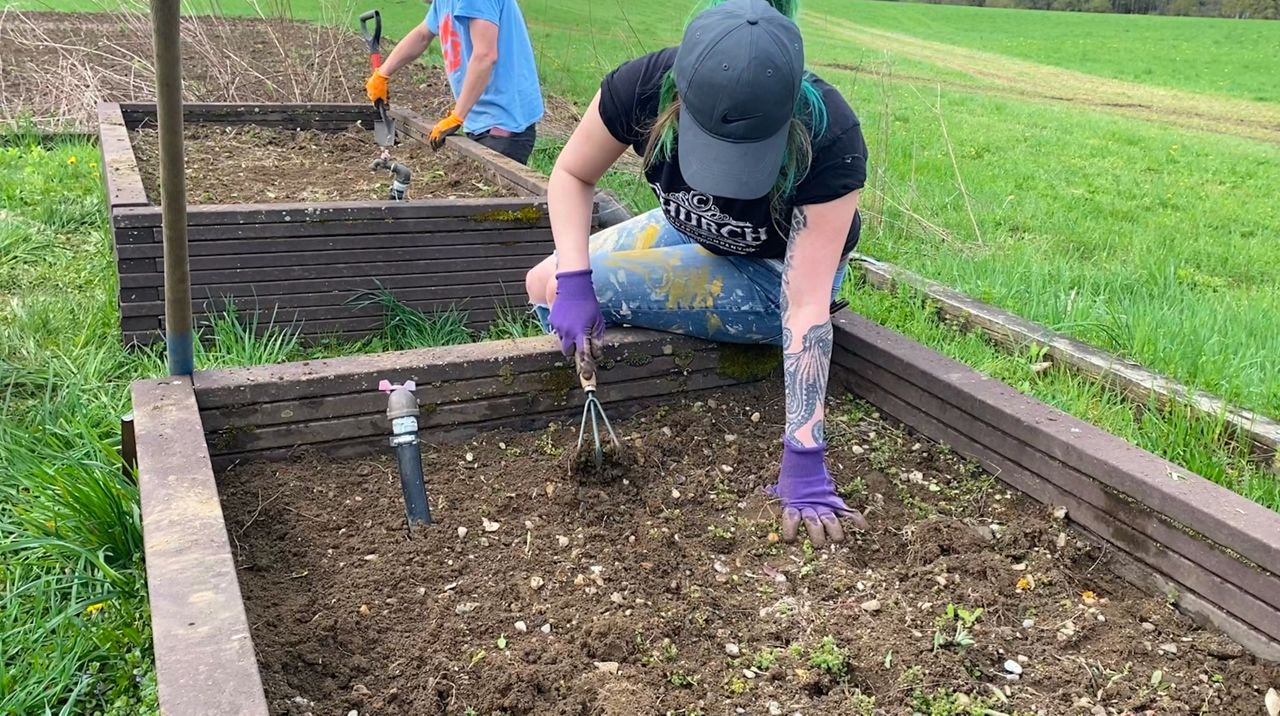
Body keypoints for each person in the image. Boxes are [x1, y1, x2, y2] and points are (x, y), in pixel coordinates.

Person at [524, 0, 871, 548]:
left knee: (554, 286)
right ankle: (632, 371)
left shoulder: (830, 136)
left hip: (772, 277)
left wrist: (805, 458)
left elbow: (804, 305)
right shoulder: (640, 87)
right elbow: (570, 173)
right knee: (546, 280)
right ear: (679, 95)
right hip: (694, 228)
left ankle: (683, 366)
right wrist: (575, 282)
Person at [365, 0, 544, 165]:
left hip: (503, 124)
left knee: (490, 197)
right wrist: (383, 74)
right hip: (479, 121)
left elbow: (485, 56)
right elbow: (422, 35)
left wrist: (457, 116)